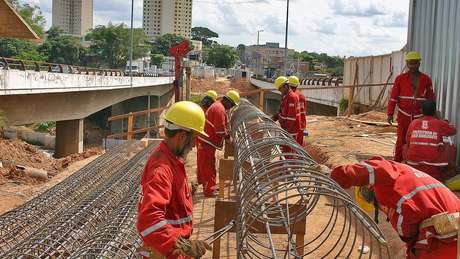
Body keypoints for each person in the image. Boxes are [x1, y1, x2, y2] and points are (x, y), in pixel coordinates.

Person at [331, 156, 459, 259]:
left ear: (369, 187)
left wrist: (335, 176)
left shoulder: (385, 184)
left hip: (442, 241)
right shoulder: (407, 173)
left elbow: (407, 230)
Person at [136, 101, 211, 259]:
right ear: (182, 136)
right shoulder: (162, 169)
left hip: (170, 248)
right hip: (165, 251)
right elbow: (148, 220)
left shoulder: (171, 159)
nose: (194, 146)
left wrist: (185, 189)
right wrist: (182, 244)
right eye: (193, 139)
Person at [387, 51, 436, 162]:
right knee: (401, 140)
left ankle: (415, 162)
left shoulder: (426, 79)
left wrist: (433, 115)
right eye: (410, 63)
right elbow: (393, 98)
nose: (413, 65)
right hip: (403, 115)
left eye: (415, 63)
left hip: (419, 116)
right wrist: (390, 113)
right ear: (407, 64)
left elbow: (431, 98)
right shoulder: (400, 79)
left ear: (419, 63)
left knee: (417, 139)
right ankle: (397, 162)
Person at [196, 90, 240, 197]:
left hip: (206, 141)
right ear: (228, 101)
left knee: (206, 165)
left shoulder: (217, 106)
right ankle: (209, 190)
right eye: (232, 104)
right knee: (208, 167)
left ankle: (205, 184)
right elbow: (220, 130)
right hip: (207, 142)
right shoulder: (219, 109)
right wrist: (228, 138)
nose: (231, 107)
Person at [403, 100, 457, 181]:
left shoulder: (413, 123)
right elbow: (453, 131)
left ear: (421, 111)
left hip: (413, 164)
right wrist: (441, 119)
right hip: (432, 166)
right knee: (450, 147)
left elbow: (407, 141)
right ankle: (440, 172)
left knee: (405, 146)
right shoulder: (439, 123)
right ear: (435, 112)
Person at [272, 76, 301, 144]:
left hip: (291, 130)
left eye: (280, 89)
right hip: (285, 128)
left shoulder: (292, 97)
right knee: (285, 149)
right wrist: (273, 118)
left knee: (288, 150)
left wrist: (286, 131)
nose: (280, 91)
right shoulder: (285, 96)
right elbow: (281, 110)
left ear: (285, 86)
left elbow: (291, 118)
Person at [288, 75, 307, 146]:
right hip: (301, 124)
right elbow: (304, 111)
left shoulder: (290, 96)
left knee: (289, 146)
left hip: (293, 126)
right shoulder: (301, 96)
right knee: (298, 147)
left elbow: (290, 114)